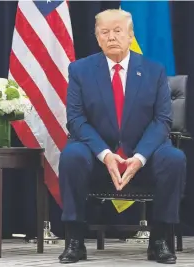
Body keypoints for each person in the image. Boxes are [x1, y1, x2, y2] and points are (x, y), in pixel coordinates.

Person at [58, 9, 186, 264]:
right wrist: (105, 155)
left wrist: (139, 157)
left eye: (118, 31)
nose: (112, 37)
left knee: (174, 158)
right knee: (71, 155)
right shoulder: (80, 70)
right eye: (105, 32)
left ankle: (159, 239)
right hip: (96, 158)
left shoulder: (154, 71)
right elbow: (76, 120)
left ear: (130, 36)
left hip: (143, 157)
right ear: (97, 37)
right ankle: (75, 240)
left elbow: (162, 121)